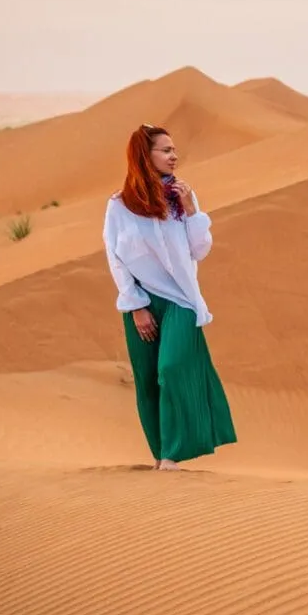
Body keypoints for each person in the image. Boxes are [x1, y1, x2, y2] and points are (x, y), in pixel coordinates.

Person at [102, 124, 237, 470]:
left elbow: (200, 249)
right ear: (143, 157)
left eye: (174, 150)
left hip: (180, 300)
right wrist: (136, 305)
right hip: (142, 302)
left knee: (172, 368)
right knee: (147, 382)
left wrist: (192, 210)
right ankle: (163, 456)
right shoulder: (119, 205)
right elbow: (115, 258)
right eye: (165, 150)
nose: (174, 156)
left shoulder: (182, 198)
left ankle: (173, 454)